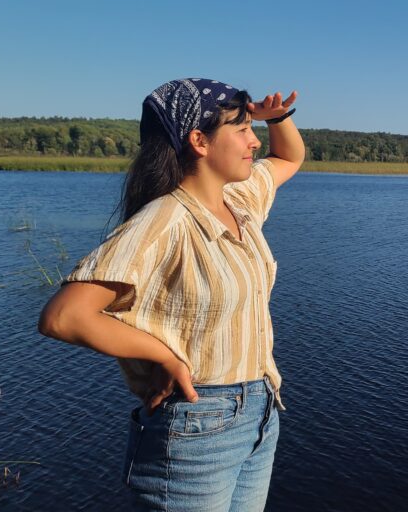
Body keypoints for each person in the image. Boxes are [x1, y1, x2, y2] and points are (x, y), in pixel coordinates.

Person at [38, 78, 303, 511]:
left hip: (260, 412)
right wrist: (162, 356)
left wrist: (279, 118)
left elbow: (289, 156)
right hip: (198, 422)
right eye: (241, 130)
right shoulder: (164, 218)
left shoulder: (238, 199)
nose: (253, 142)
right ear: (198, 140)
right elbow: (64, 316)